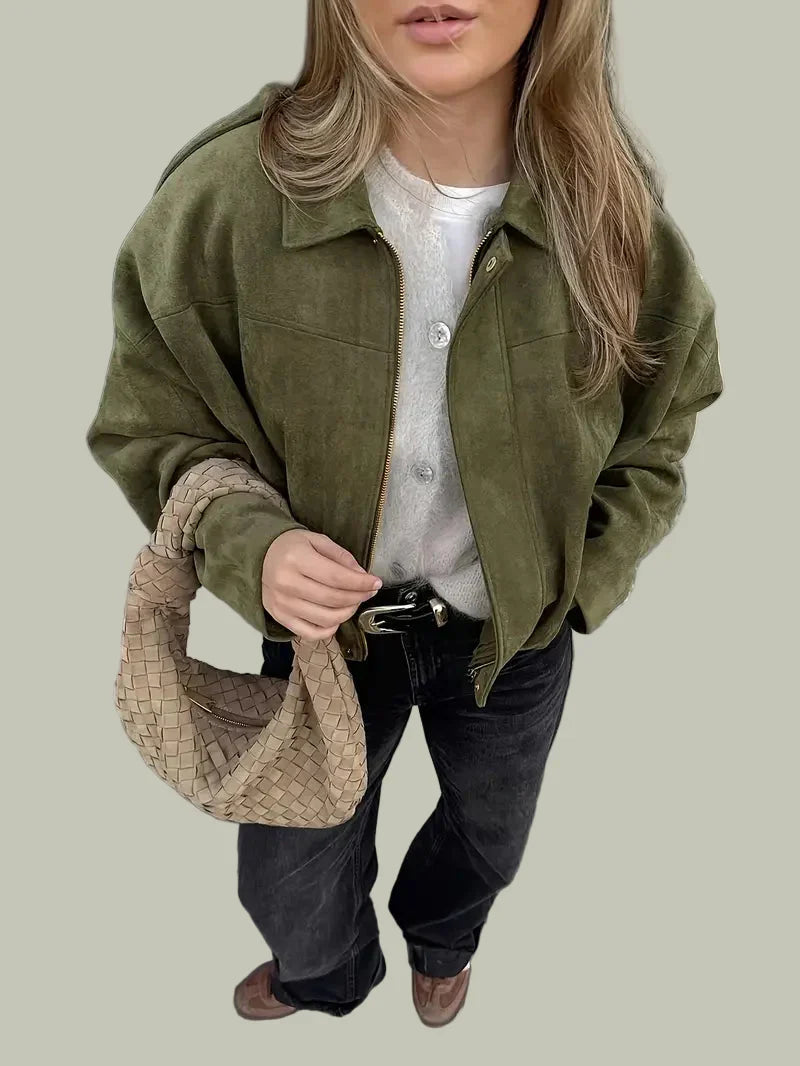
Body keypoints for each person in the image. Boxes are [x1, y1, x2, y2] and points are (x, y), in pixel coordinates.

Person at [85, 0, 723, 1027]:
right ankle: (324, 973)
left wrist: (580, 576)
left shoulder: (610, 212)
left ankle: (442, 939)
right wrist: (252, 547)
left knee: (490, 835)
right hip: (324, 645)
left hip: (513, 641)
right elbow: (155, 415)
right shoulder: (228, 195)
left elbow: (663, 421)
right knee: (290, 867)